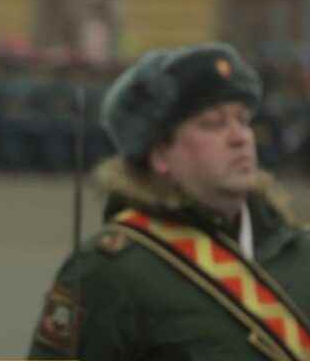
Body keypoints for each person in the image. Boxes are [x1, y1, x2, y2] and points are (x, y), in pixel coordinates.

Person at [28, 42, 310, 360]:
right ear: (161, 154)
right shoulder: (110, 272)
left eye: (243, 120)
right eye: (214, 124)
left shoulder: (300, 252)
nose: (241, 137)